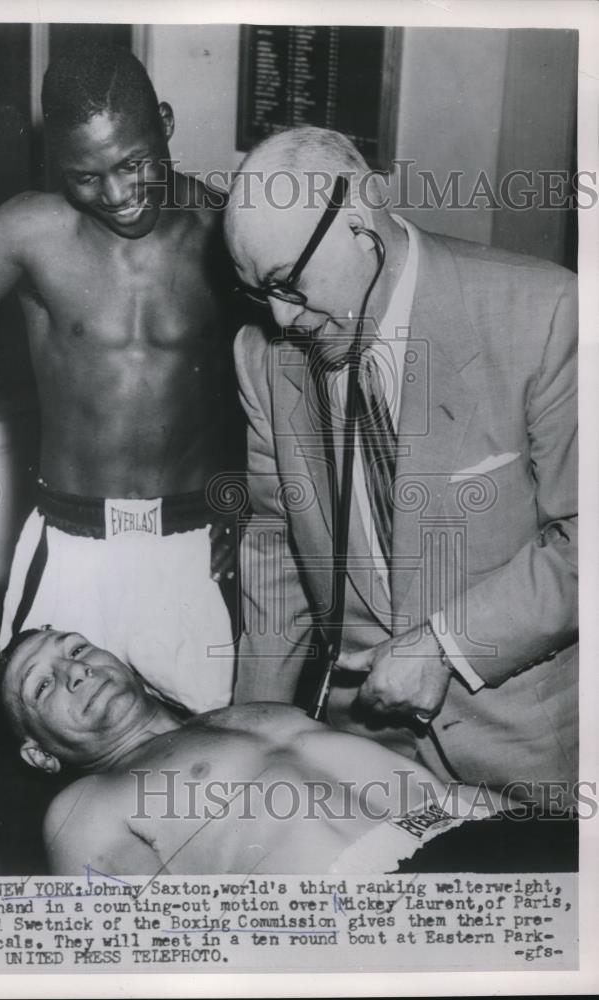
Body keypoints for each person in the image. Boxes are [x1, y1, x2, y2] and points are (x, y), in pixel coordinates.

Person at [0, 41, 242, 713]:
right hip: (73, 543)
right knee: (50, 750)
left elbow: (277, 382)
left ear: (164, 123)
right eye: (85, 176)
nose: (115, 195)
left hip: (194, 545)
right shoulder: (31, 230)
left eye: (133, 164)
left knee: (205, 751)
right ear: (57, 168)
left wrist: (246, 489)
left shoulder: (227, 231)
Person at [223, 127, 577, 803]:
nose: (279, 317)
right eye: (255, 293)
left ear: (360, 219)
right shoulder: (264, 357)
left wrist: (443, 645)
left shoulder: (543, 313)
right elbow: (276, 545)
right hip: (363, 750)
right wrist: (246, 736)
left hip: (530, 748)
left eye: (287, 284)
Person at [0, 628, 509, 876]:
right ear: (40, 755)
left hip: (484, 839)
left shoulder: (260, 713)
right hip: (377, 917)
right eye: (43, 685)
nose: (75, 670)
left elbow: (432, 792)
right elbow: (148, 956)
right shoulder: (86, 805)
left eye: (77, 649)